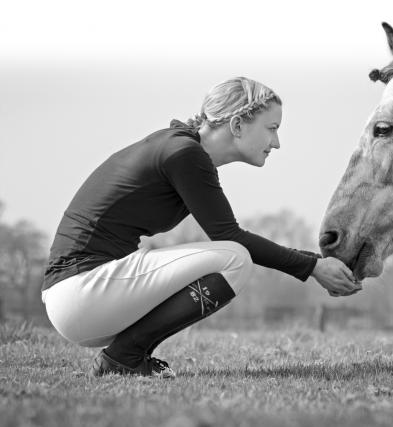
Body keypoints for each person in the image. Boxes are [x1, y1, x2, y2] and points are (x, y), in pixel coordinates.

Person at [41, 77, 361, 379]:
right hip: (82, 293)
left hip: (84, 298)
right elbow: (230, 237)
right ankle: (123, 356)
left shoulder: (182, 149)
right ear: (237, 125)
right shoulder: (184, 154)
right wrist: (313, 267)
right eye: (272, 128)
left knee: (229, 254)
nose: (276, 142)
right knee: (233, 257)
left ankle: (129, 355)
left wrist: (314, 263)